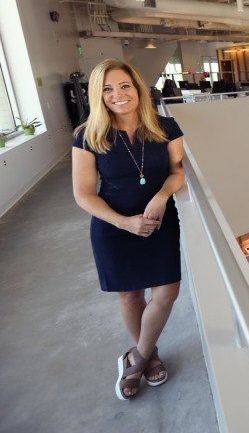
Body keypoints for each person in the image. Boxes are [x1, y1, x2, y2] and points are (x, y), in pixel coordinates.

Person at [71, 59, 185, 401]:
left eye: (124, 86)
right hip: (113, 226)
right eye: (107, 89)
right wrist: (125, 222)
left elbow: (177, 171)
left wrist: (162, 195)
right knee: (130, 295)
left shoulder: (166, 127)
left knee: (166, 293)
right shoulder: (87, 135)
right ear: (98, 96)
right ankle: (148, 357)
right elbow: (83, 195)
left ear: (137, 88)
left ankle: (134, 358)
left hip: (160, 221)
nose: (118, 95)